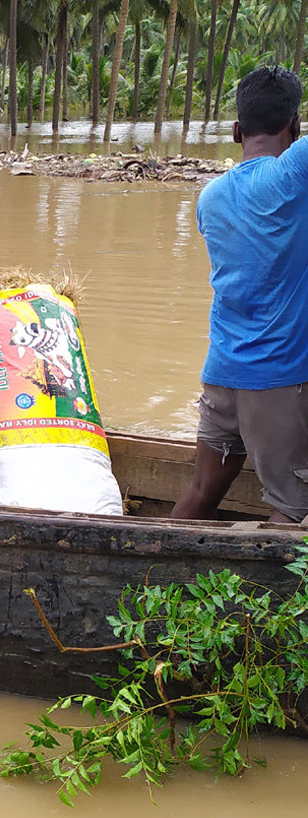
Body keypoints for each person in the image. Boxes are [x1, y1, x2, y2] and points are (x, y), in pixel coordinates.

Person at [172, 67, 308, 524]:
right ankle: (261, 597)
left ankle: (148, 581)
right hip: (276, 381)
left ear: (235, 131)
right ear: (295, 127)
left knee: (201, 491)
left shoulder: (210, 197)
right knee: (292, 511)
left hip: (223, 372)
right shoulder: (294, 173)